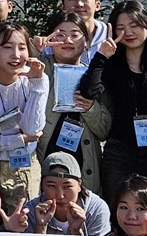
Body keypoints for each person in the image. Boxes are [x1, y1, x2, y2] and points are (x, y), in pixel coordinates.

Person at [82, 0, 147, 205]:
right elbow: (88, 91)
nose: (129, 32)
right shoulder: (112, 66)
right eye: (121, 28)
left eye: (134, 25)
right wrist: (101, 56)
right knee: (118, 213)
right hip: (120, 151)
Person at [0, 21, 48, 204]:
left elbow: (32, 130)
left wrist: (38, 83)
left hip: (24, 165)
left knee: (26, 222)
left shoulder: (37, 78)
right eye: (7, 47)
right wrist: (19, 140)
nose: (16, 55)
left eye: (22, 47)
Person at [35, 12, 104, 198]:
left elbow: (104, 129)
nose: (67, 40)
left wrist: (90, 108)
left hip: (83, 160)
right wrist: (34, 51)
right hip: (43, 154)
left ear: (87, 41)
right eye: (59, 35)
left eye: (75, 35)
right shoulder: (39, 67)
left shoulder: (94, 74)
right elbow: (3, 70)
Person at [20, 152, 110, 236]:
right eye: (51, 186)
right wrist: (41, 226)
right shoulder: (31, 211)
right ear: (42, 186)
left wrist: (76, 231)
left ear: (79, 185)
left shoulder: (96, 209)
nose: (60, 195)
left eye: (67, 186)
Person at [57, 0, 117, 67]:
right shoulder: (55, 39)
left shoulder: (111, 35)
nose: (79, 4)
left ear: (97, 5)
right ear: (63, 7)